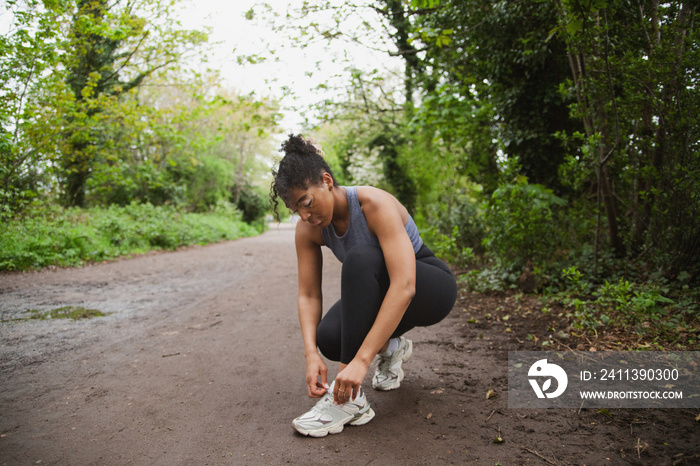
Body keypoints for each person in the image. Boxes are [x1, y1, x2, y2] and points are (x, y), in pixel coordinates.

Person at [270, 134, 457, 437]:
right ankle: (393, 347)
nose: (305, 216)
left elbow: (404, 285)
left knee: (360, 259)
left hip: (428, 287)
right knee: (330, 337)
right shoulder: (308, 229)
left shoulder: (373, 204)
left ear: (326, 181)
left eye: (307, 202)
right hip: (386, 292)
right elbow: (308, 294)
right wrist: (311, 355)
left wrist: (359, 362)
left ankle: (348, 400)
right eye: (296, 210)